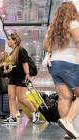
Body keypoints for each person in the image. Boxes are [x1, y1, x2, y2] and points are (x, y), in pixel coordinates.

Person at [43, 2, 79, 139]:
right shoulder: (74, 23)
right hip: (70, 63)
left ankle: (68, 131)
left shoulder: (53, 27)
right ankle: (68, 120)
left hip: (55, 64)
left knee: (65, 97)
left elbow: (46, 46)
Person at [2, 33, 39, 124]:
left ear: (15, 40)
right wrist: (6, 67)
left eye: (9, 39)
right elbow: (11, 67)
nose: (8, 41)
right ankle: (13, 117)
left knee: (21, 98)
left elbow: (25, 63)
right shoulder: (11, 52)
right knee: (11, 97)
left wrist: (27, 74)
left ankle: (35, 112)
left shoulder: (21, 50)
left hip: (21, 76)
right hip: (13, 77)